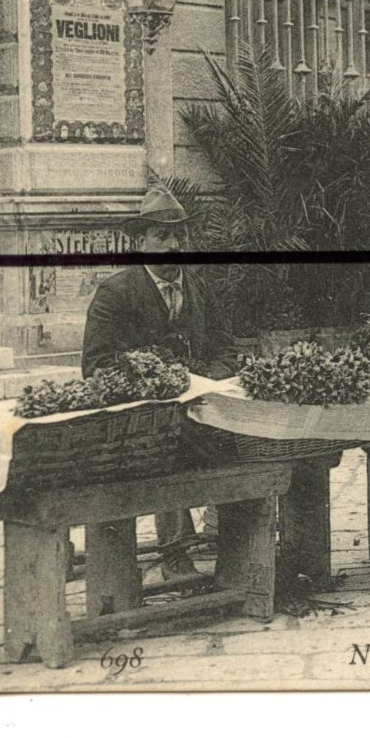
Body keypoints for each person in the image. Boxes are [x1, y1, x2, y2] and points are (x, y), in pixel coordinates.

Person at [83, 186, 236, 579]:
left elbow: (225, 347)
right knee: (163, 444)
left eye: (179, 235)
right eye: (161, 236)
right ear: (141, 241)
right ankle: (175, 554)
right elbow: (96, 365)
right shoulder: (115, 293)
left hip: (203, 408)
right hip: (142, 421)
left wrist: (209, 376)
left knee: (245, 443)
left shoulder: (199, 287)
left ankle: (236, 549)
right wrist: (153, 382)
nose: (173, 245)